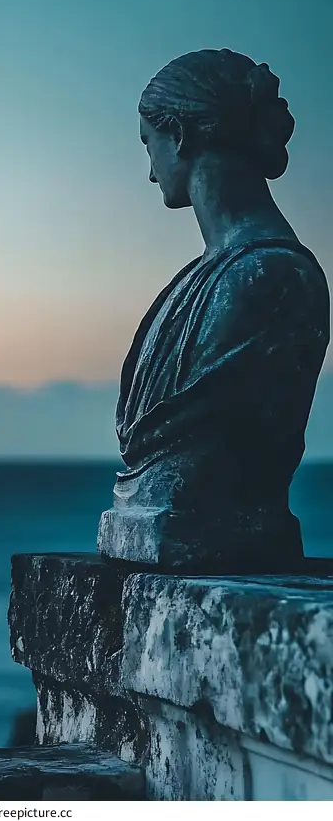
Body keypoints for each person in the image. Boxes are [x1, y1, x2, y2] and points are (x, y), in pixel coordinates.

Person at [100, 49, 330, 568]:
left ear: (180, 135)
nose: (150, 173)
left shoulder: (272, 277)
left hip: (215, 525)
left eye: (149, 144)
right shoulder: (200, 282)